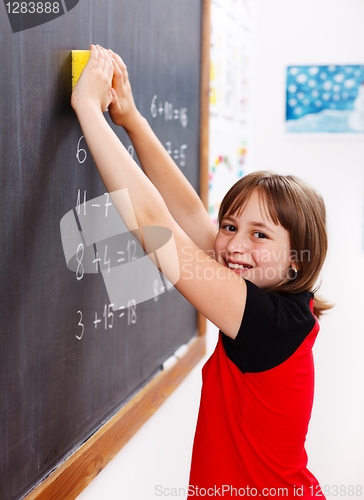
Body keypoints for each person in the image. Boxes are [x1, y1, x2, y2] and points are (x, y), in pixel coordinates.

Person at [71, 44, 331, 499]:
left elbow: (159, 229)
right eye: (231, 225)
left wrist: (89, 110)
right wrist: (131, 119)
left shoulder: (269, 322)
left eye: (261, 235)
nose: (234, 244)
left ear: (298, 258)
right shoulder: (272, 302)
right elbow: (188, 213)